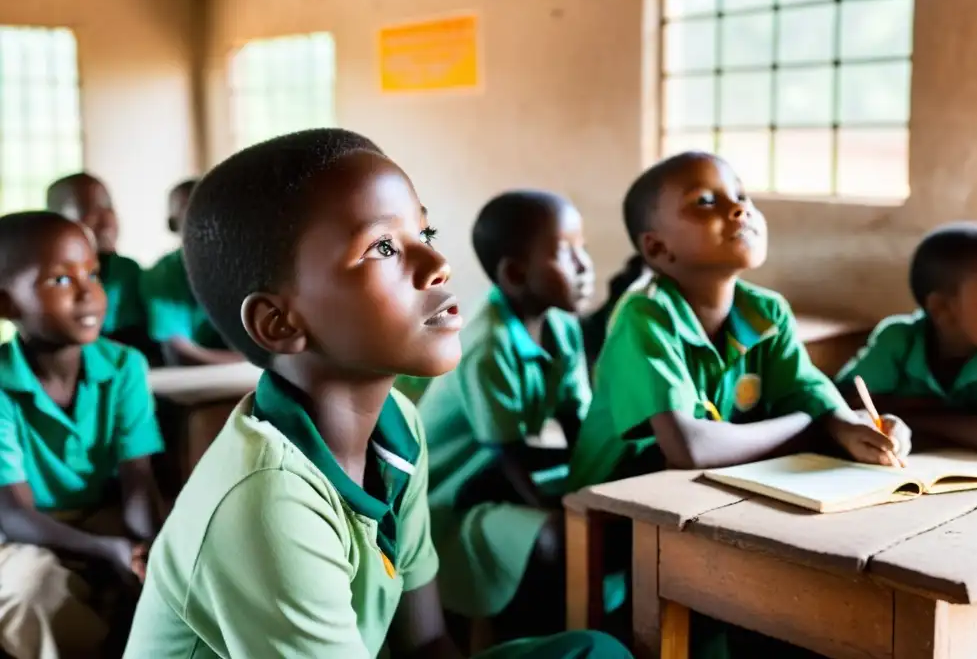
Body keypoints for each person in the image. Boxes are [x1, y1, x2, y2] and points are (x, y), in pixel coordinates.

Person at [122, 128, 629, 659]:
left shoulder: (398, 426)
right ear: (279, 323)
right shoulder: (268, 500)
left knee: (593, 653)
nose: (438, 266)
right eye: (383, 247)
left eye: (425, 234)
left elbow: (427, 641)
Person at [569, 151, 910, 492]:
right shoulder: (646, 315)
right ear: (658, 248)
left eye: (742, 196)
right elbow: (690, 447)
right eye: (704, 202)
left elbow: (807, 394)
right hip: (608, 509)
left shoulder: (767, 313)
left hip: (697, 493)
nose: (739, 209)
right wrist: (814, 427)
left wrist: (850, 427)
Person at [418, 191, 594, 640]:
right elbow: (507, 454)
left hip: (500, 480)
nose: (584, 266)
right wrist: (571, 512)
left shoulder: (562, 326)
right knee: (559, 538)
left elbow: (580, 424)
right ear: (516, 274)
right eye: (565, 253)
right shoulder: (487, 344)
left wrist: (595, 489)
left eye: (583, 248)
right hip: (448, 499)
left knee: (599, 527)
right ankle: (527, 642)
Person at [0, 211, 164, 659]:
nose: (87, 291)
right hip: (21, 532)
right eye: (58, 280)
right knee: (31, 595)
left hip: (103, 515)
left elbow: (137, 482)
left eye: (91, 273)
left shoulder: (125, 366)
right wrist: (107, 551)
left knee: (177, 571)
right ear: (6, 305)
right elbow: (13, 514)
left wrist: (145, 550)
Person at [836, 222, 977, 456]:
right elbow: (848, 404)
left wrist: (906, 411)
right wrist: (965, 419)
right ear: (943, 308)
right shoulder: (898, 339)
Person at [46, 173, 157, 364]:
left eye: (108, 206)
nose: (106, 219)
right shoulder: (48, 281)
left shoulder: (126, 271)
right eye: (86, 209)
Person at [140, 179, 241, 366]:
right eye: (192, 211)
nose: (209, 219)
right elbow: (179, 355)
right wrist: (252, 363)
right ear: (172, 224)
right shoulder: (164, 274)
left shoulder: (246, 264)